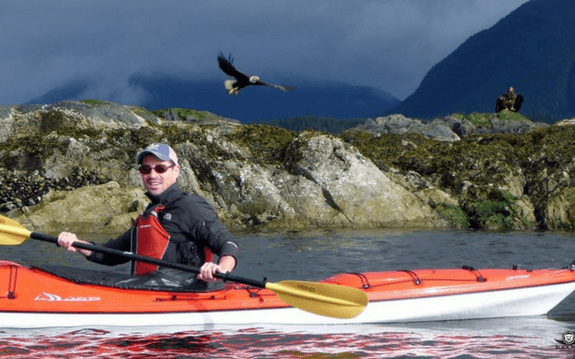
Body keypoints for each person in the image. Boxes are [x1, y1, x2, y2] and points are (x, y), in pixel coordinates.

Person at [57, 143, 239, 289]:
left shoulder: (190, 206)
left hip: (183, 294)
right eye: (146, 169)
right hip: (145, 292)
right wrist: (76, 243)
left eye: (160, 168)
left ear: (175, 171)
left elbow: (227, 244)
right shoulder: (148, 216)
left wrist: (219, 269)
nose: (152, 175)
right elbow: (109, 254)